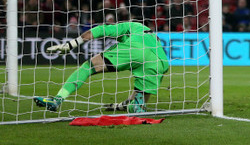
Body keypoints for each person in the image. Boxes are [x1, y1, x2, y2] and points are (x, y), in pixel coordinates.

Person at [33, 21, 169, 113]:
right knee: (137, 106)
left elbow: (100, 30)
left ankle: (57, 100)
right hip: (161, 63)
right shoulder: (149, 34)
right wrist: (120, 105)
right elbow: (141, 82)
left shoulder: (129, 26)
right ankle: (134, 106)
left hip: (134, 49)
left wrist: (71, 44)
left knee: (88, 67)